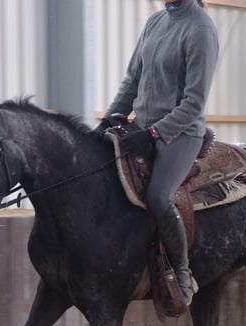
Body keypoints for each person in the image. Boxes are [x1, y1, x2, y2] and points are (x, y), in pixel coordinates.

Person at [96, 0, 219, 309]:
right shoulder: (155, 22)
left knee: (159, 196)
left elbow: (193, 103)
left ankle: (181, 272)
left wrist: (154, 133)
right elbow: (131, 81)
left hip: (180, 132)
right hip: (142, 126)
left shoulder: (201, 28)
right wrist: (109, 119)